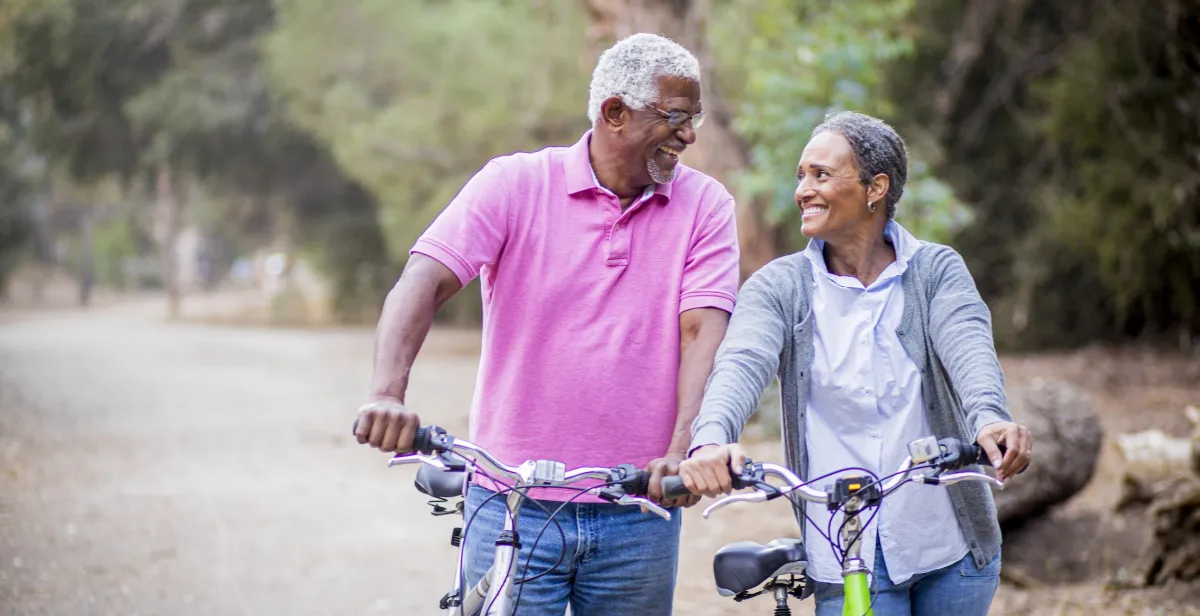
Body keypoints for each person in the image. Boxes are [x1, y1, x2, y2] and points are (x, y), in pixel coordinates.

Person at [353, 33, 739, 615]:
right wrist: (387, 393)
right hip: (512, 504)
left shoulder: (706, 205)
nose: (688, 135)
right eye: (676, 117)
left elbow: (701, 330)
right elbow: (422, 282)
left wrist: (683, 447)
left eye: (695, 119)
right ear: (615, 112)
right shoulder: (514, 184)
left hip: (640, 510)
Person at [678, 111, 1032, 616]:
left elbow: (969, 348)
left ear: (876, 187)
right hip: (843, 547)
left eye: (821, 174)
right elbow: (741, 363)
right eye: (801, 175)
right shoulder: (780, 287)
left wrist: (990, 417)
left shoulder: (935, 270)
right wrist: (712, 438)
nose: (803, 189)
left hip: (951, 546)